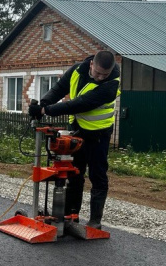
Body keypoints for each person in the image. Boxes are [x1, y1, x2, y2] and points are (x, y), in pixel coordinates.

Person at [29, 50, 121, 229]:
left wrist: (45, 111)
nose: (101, 77)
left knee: (98, 175)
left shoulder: (110, 86)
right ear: (91, 64)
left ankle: (95, 221)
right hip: (77, 131)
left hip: (99, 135)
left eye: (105, 74)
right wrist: (43, 103)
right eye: (98, 73)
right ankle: (71, 215)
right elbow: (59, 88)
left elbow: (78, 104)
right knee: (74, 172)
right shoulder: (77, 70)